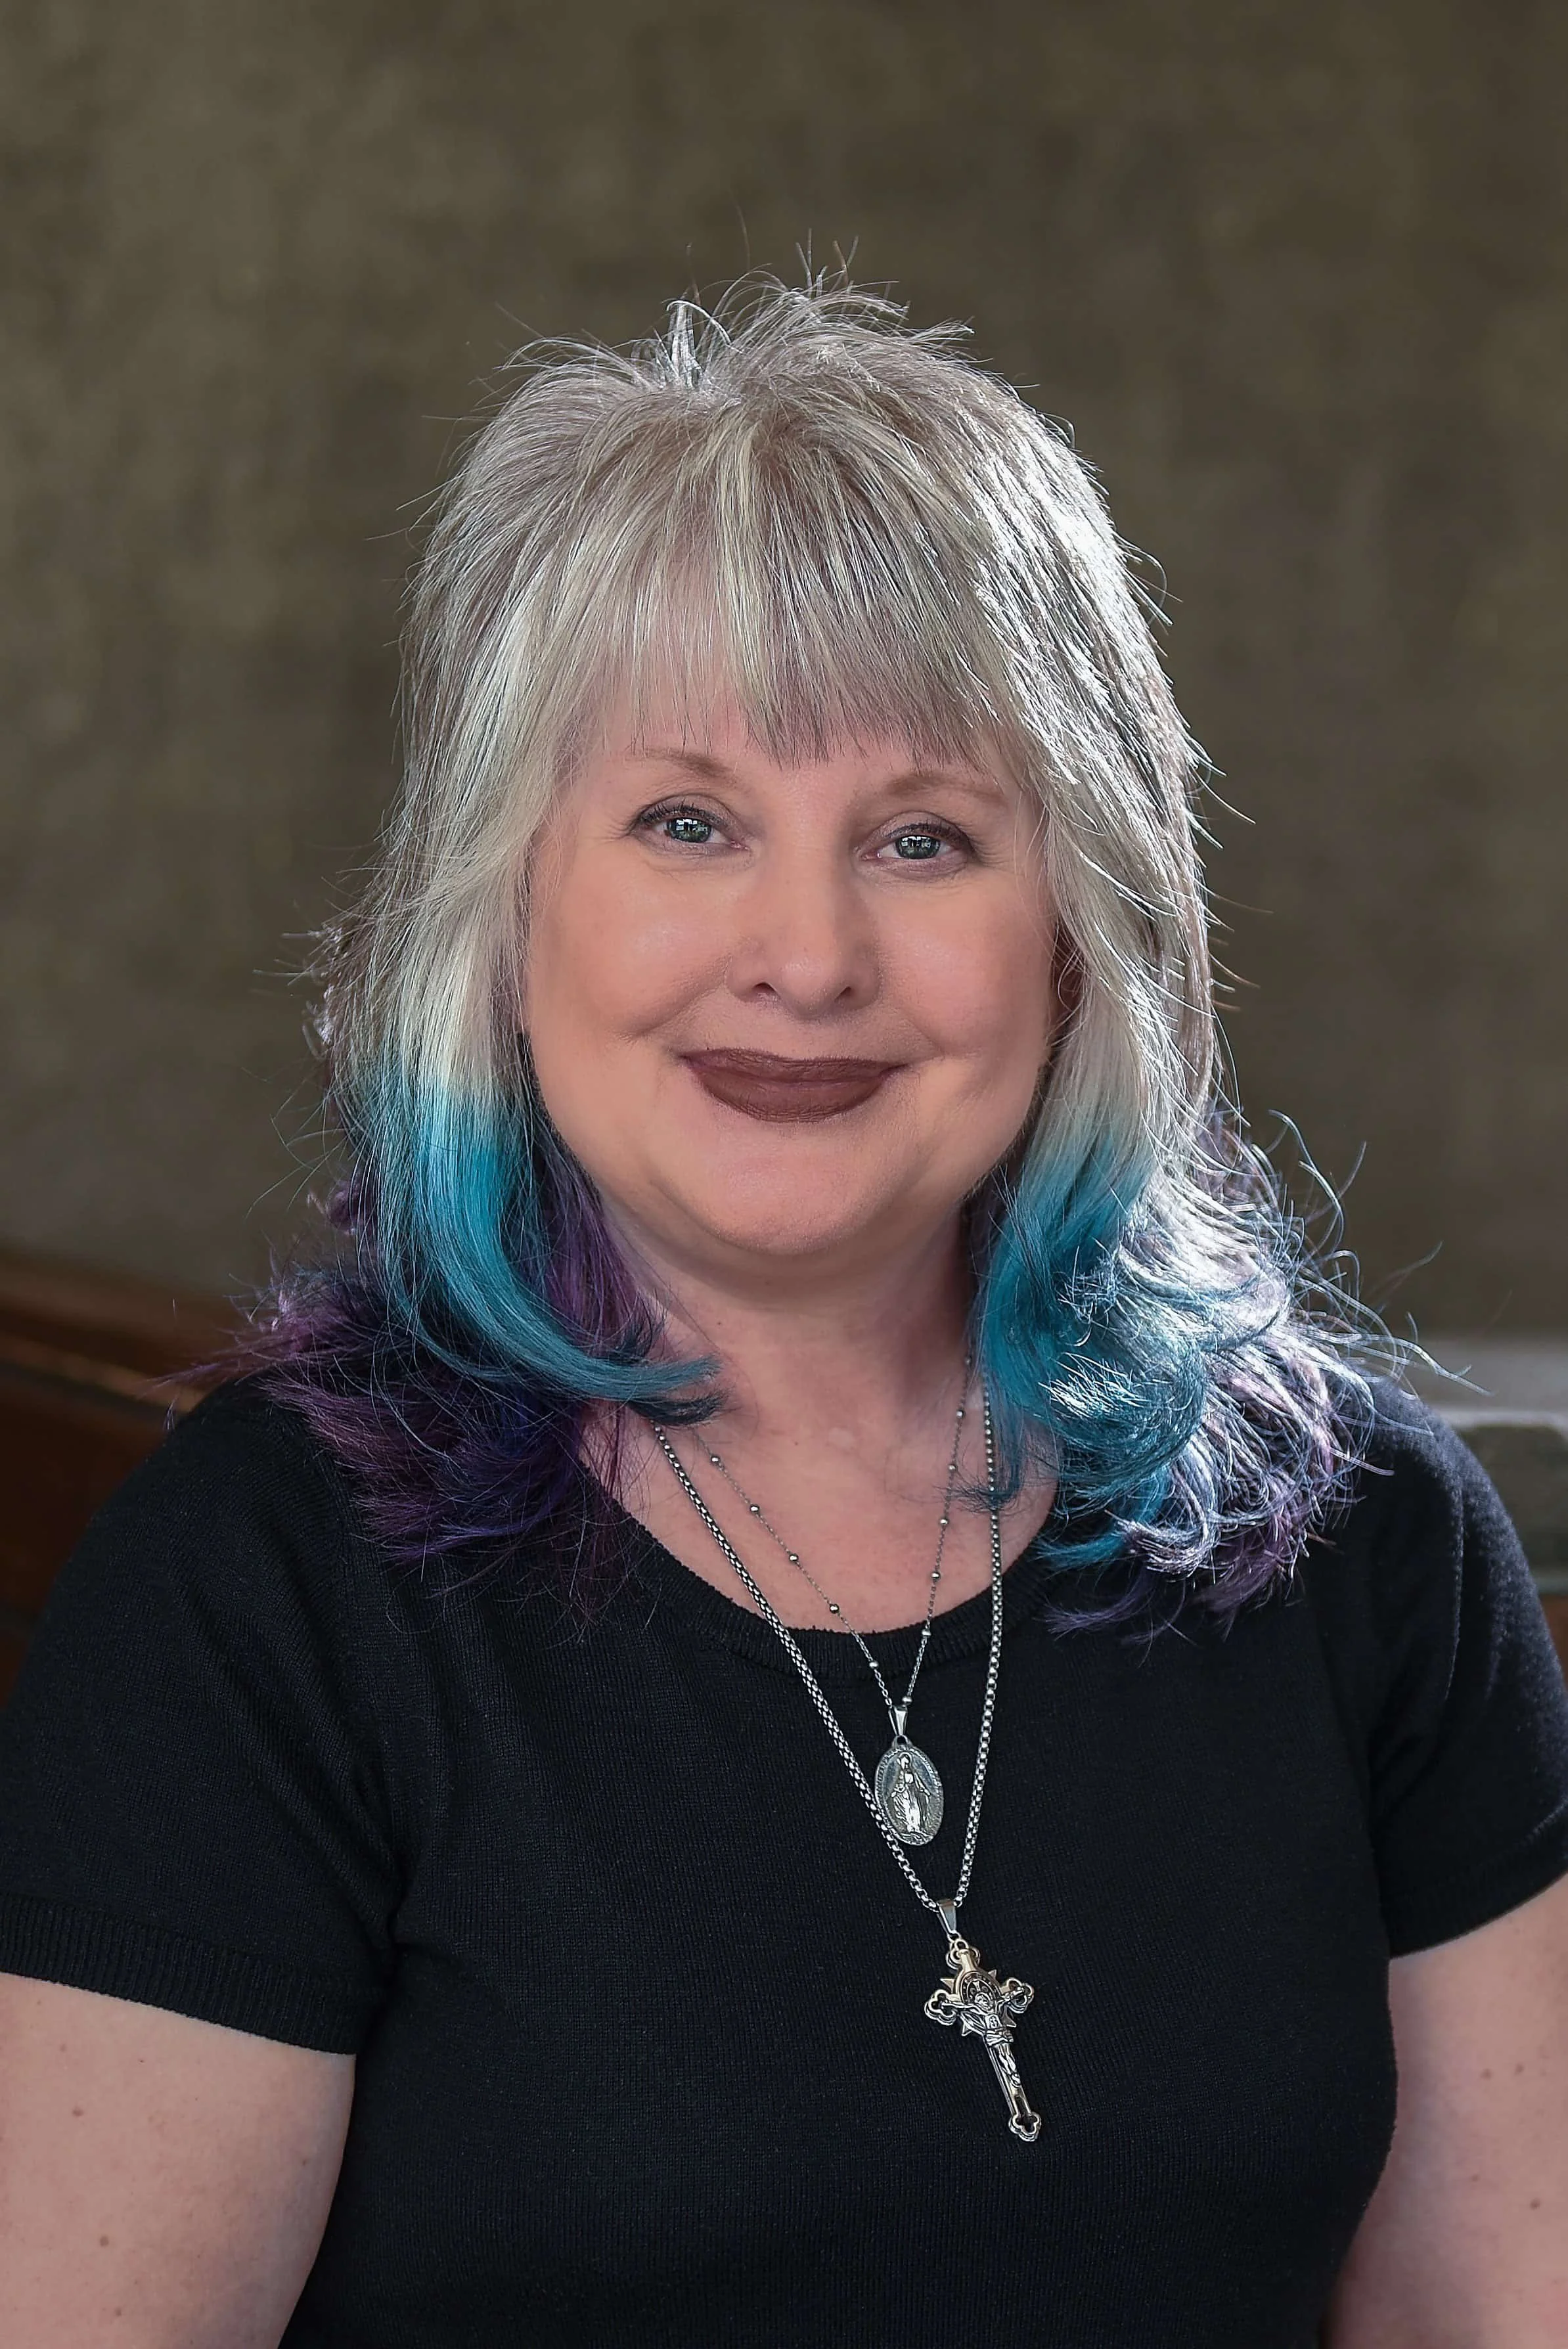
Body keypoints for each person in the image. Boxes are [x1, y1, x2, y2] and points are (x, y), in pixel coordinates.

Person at [1, 279, 1565, 2349]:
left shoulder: (1374, 1543)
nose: (808, 955)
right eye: (688, 822)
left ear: (1081, 930)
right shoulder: (259, 1592)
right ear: (504, 905)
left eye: (926, 837)